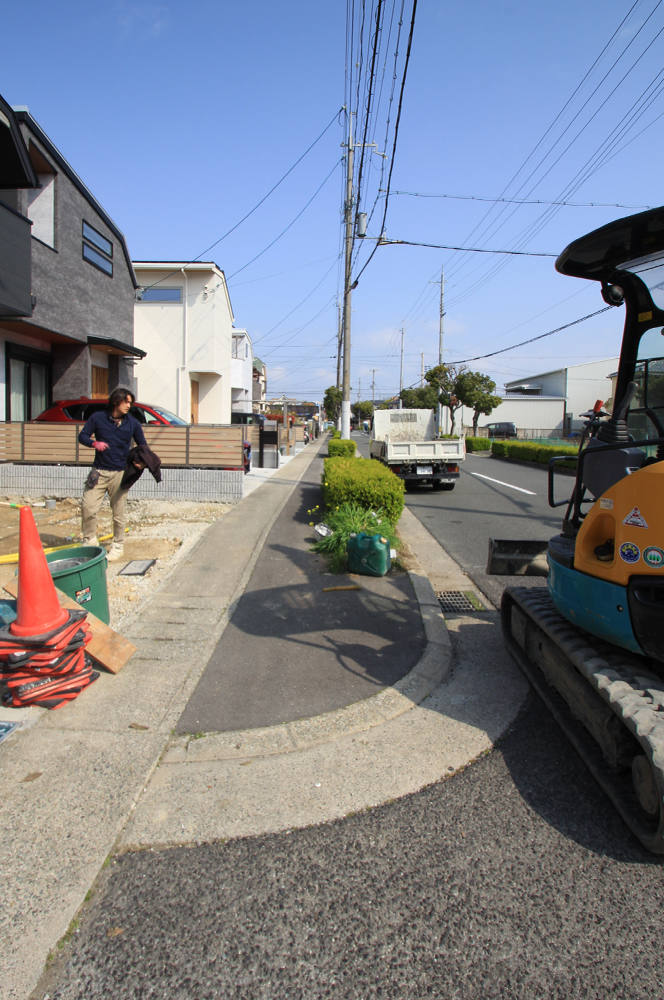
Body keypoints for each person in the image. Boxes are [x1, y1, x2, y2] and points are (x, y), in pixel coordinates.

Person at [78, 387, 146, 561]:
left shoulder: (132, 423)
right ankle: (89, 540)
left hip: (120, 474)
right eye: (126, 402)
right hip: (98, 472)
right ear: (116, 401)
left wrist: (142, 462)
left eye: (130, 402)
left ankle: (117, 546)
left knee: (118, 513)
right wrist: (94, 444)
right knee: (88, 507)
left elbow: (142, 445)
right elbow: (82, 436)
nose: (129, 406)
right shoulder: (98, 418)